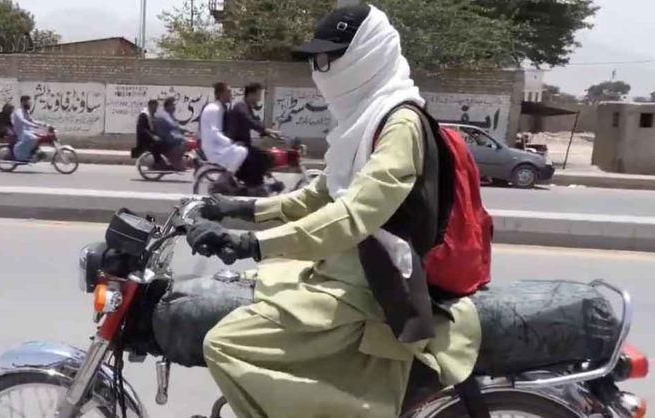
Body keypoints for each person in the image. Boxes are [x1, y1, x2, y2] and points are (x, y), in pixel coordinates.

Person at [185, 5, 482, 418]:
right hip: (340, 267)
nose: (320, 70)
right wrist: (239, 208)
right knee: (240, 286)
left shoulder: (400, 124)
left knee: (224, 343)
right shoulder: (364, 120)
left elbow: (354, 215)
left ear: (369, 53)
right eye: (316, 60)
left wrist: (254, 243)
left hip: (372, 285)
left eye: (330, 58)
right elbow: (317, 196)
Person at [226, 82, 282, 194]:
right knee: (262, 157)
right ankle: (254, 186)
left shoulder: (247, 107)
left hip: (243, 143)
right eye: (258, 94)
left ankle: (255, 184)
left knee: (266, 156)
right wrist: (265, 130)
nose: (259, 98)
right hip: (237, 144)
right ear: (250, 94)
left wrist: (268, 132)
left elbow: (256, 121)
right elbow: (249, 121)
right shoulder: (240, 106)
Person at [199, 82, 248, 192]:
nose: (231, 94)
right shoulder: (213, 109)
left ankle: (231, 179)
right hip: (214, 150)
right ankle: (224, 181)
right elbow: (214, 132)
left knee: (241, 150)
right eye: (228, 92)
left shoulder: (219, 108)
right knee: (241, 151)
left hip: (218, 147)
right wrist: (230, 142)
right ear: (221, 94)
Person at [132, 100, 169, 170]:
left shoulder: (151, 115)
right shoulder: (144, 115)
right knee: (158, 145)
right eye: (155, 107)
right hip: (144, 140)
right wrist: (153, 136)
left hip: (149, 138)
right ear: (150, 106)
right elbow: (142, 129)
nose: (156, 109)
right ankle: (158, 162)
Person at [154, 97, 189, 171]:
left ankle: (177, 159)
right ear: (167, 106)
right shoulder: (164, 115)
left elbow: (176, 125)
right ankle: (175, 160)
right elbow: (171, 126)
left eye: (174, 105)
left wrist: (183, 130)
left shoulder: (170, 115)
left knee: (183, 139)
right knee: (185, 141)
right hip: (165, 137)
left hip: (168, 135)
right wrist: (182, 130)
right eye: (172, 105)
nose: (174, 107)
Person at [12, 95, 47, 162]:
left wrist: (43, 124)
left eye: (29, 102)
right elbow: (22, 120)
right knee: (34, 138)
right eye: (27, 102)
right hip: (21, 132)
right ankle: (25, 155)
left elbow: (31, 120)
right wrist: (33, 125)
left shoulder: (26, 112)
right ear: (23, 102)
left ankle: (34, 152)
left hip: (27, 131)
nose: (29, 104)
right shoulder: (18, 111)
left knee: (41, 135)